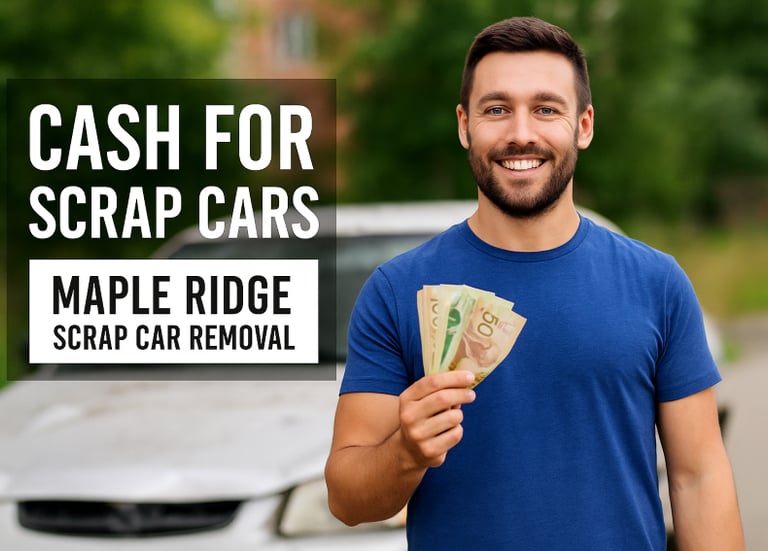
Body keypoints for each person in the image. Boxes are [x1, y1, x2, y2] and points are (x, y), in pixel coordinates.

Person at [325, 16, 744, 550]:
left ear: (583, 126)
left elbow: (699, 477)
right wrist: (406, 452)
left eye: (546, 109)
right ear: (464, 125)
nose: (521, 133)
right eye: (496, 109)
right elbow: (347, 500)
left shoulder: (657, 284)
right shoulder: (397, 291)